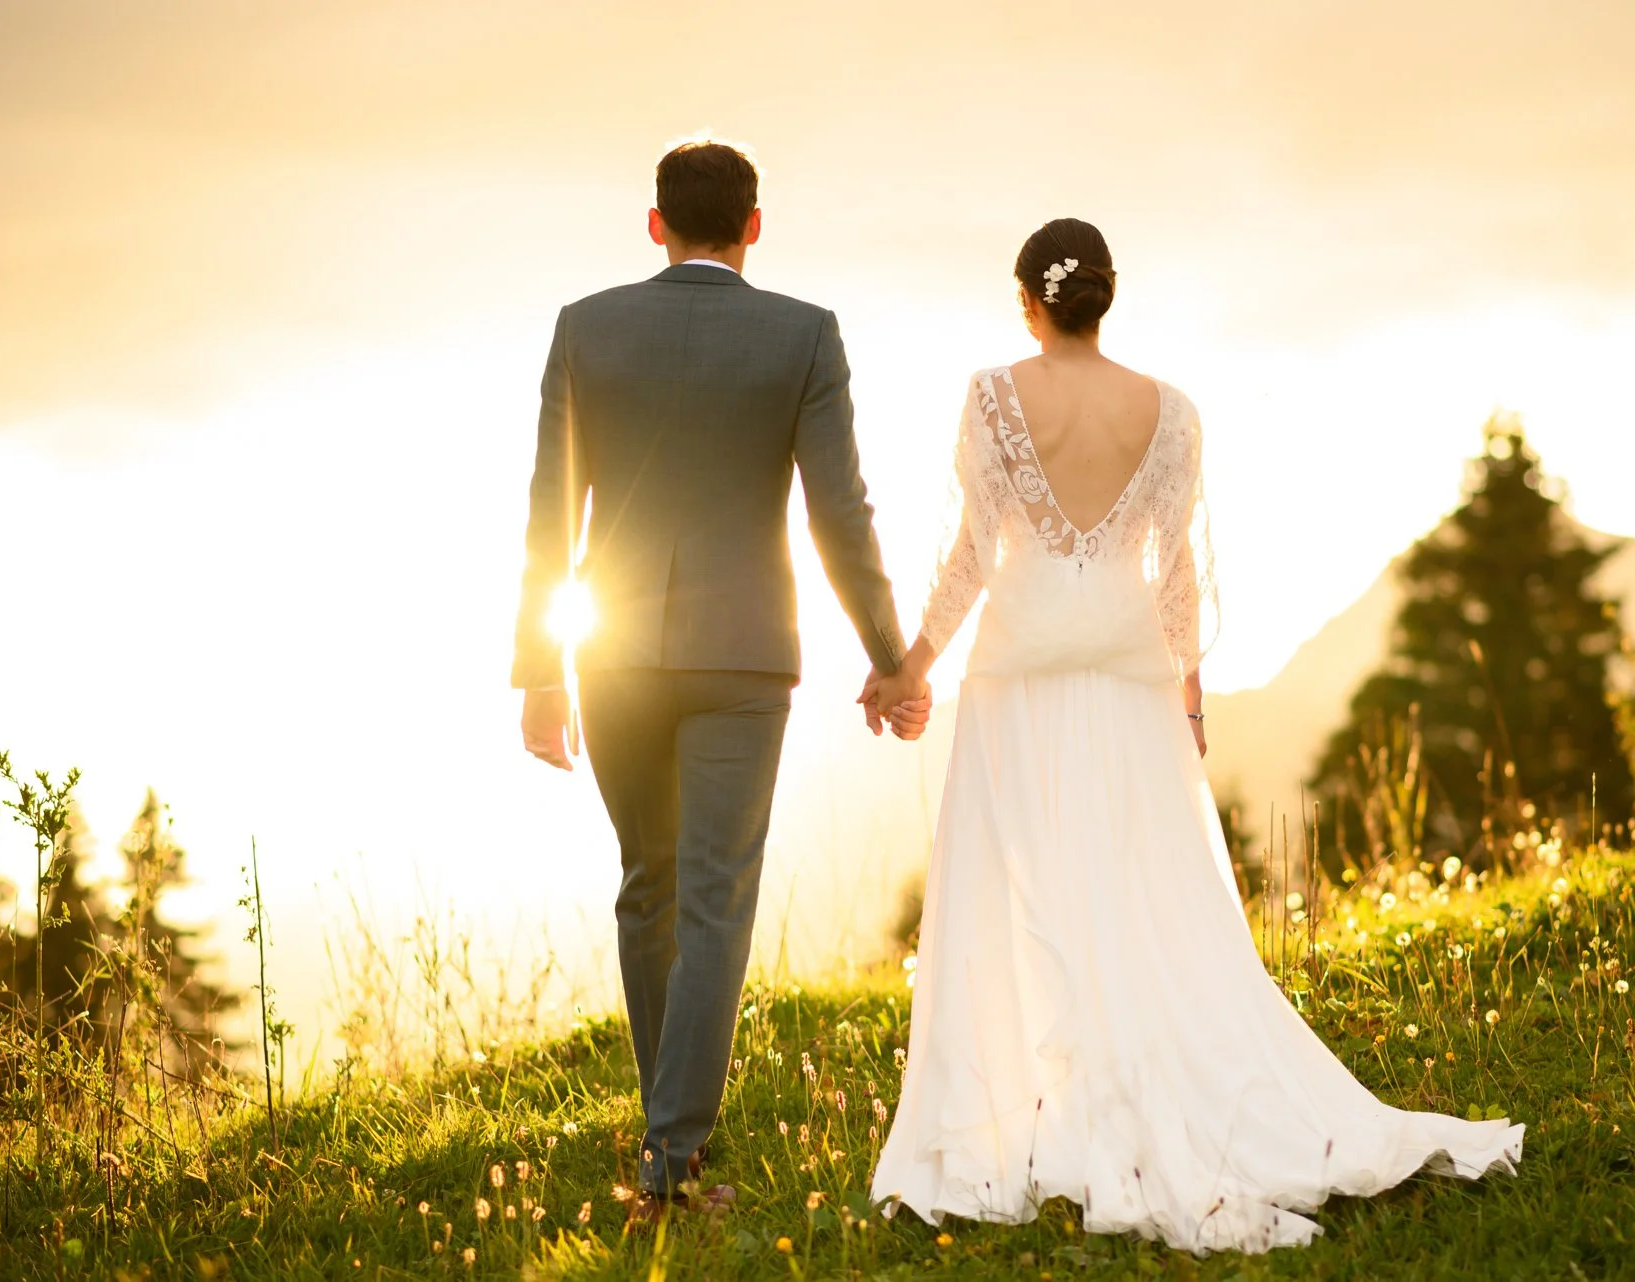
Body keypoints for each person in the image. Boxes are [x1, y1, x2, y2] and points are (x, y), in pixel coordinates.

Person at [866, 218, 1522, 1253]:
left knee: (1017, 892)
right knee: (1137, 891)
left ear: (1028, 302)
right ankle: (1126, 1094)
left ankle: (1027, 1112)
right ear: (1106, 296)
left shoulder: (993, 395)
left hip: (1018, 678)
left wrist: (912, 667)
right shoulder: (1170, 412)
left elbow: (970, 559)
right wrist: (1190, 700)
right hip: (1131, 680)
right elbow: (1173, 573)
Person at [510, 139, 931, 1220]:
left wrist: (540, 673)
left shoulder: (585, 327)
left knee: (647, 884)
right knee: (712, 897)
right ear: (754, 227)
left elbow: (551, 510)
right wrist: (890, 655)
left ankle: (667, 1140)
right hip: (742, 656)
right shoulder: (803, 334)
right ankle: (672, 1157)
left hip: (611, 653)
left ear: (655, 224)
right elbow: (840, 515)